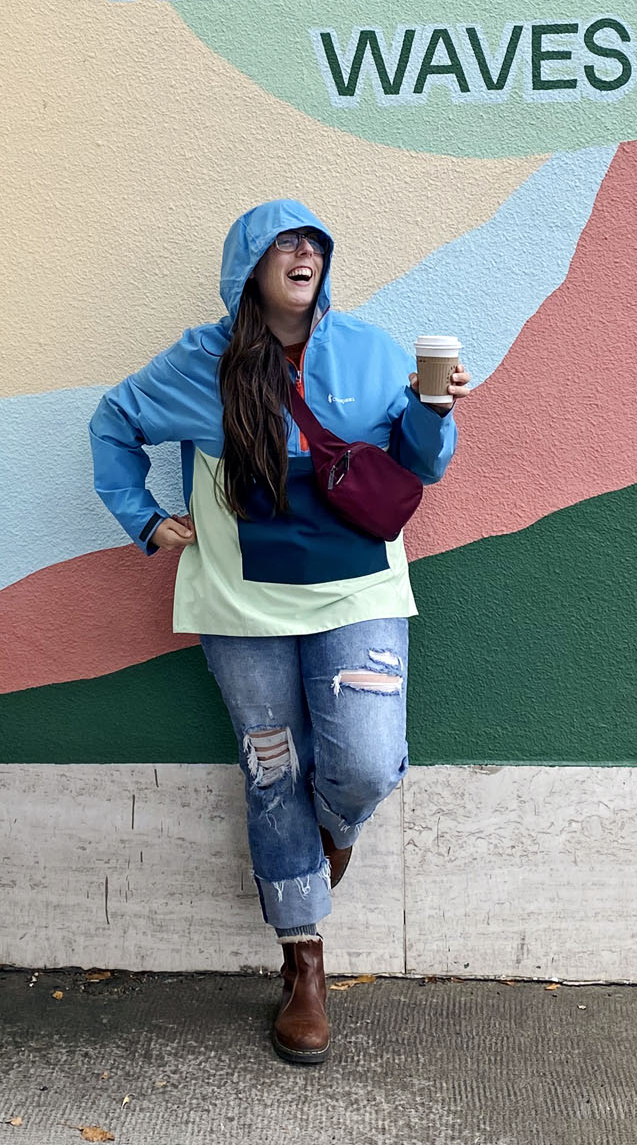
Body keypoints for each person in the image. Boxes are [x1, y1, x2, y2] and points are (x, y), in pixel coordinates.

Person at [89, 199, 469, 1064]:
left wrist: (433, 413)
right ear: (249, 268)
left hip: (359, 595)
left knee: (364, 764)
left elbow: (421, 469)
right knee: (272, 772)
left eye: (314, 244)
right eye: (283, 244)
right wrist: (143, 518)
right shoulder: (199, 365)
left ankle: (331, 834)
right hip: (239, 606)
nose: (302, 254)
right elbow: (112, 423)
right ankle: (303, 963)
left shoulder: (373, 351)